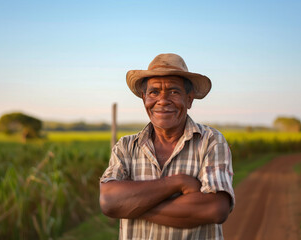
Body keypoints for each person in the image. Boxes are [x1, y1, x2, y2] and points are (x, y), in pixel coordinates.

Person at [99, 53, 235, 240]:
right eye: (154, 92)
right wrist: (177, 182)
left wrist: (131, 205)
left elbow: (215, 209)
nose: (162, 100)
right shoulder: (126, 146)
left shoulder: (210, 141)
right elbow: (109, 201)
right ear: (144, 98)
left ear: (189, 99)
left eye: (173, 91)